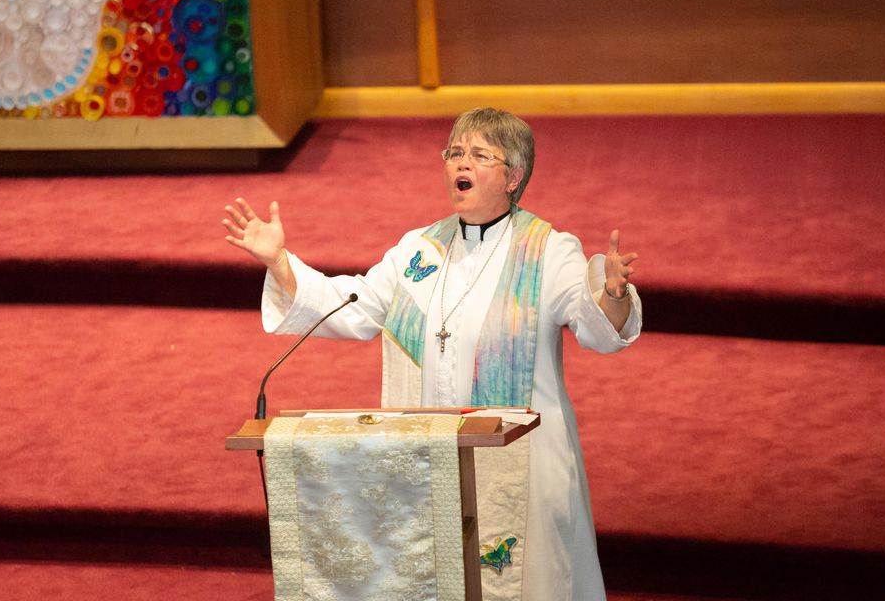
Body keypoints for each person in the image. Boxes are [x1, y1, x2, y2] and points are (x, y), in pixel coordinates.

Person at [223, 107, 641, 601]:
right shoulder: (419, 251)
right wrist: (281, 263)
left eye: (480, 155)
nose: (461, 163)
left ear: (515, 176)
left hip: (521, 463)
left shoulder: (547, 250)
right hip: (432, 459)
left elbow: (592, 326)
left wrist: (611, 296)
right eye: (454, 153)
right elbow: (355, 307)